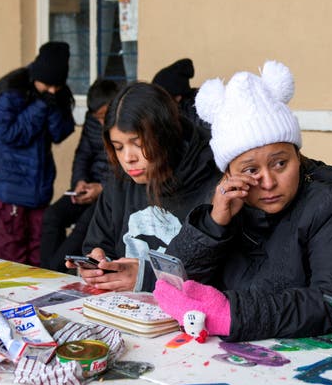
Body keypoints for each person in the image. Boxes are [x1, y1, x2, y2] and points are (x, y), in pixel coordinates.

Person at [154, 60, 332, 342]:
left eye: (280, 163)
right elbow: (178, 283)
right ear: (228, 173)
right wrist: (213, 225)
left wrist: (231, 314)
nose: (269, 182)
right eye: (251, 170)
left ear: (297, 156)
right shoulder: (228, 203)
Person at [68, 82, 220, 292]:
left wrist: (146, 278)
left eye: (138, 144)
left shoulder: (212, 182)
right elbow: (99, 243)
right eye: (118, 147)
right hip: (124, 309)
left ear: (165, 135)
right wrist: (97, 264)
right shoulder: (120, 182)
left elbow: (215, 274)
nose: (128, 158)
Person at [0, 41, 75, 266]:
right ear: (37, 74)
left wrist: (52, 105)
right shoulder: (11, 91)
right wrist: (41, 106)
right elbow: (11, 134)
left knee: (38, 251)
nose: (53, 90)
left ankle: (36, 300)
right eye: (48, 85)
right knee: (12, 253)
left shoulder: (55, 94)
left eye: (57, 86)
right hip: (10, 186)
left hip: (39, 185)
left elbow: (60, 132)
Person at [40, 79, 120, 273]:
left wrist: (101, 188)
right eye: (97, 117)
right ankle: (48, 272)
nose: (101, 122)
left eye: (103, 116)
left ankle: (54, 271)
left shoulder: (126, 122)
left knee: (85, 226)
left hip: (111, 193)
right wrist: (79, 182)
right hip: (87, 187)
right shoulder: (92, 120)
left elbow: (124, 169)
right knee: (52, 215)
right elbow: (83, 155)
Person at [152, 58, 208, 130]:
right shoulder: (160, 111)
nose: (159, 103)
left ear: (178, 97)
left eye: (163, 98)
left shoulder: (200, 108)